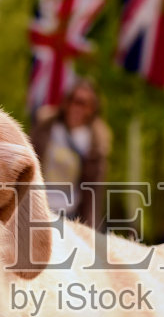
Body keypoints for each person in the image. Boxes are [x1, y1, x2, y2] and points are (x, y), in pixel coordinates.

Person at [30, 78, 111, 229]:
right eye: (74, 100)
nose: (77, 107)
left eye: (83, 103)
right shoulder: (46, 129)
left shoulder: (95, 143)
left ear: (92, 109)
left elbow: (93, 192)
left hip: (69, 213)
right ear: (66, 102)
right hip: (38, 206)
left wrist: (90, 228)